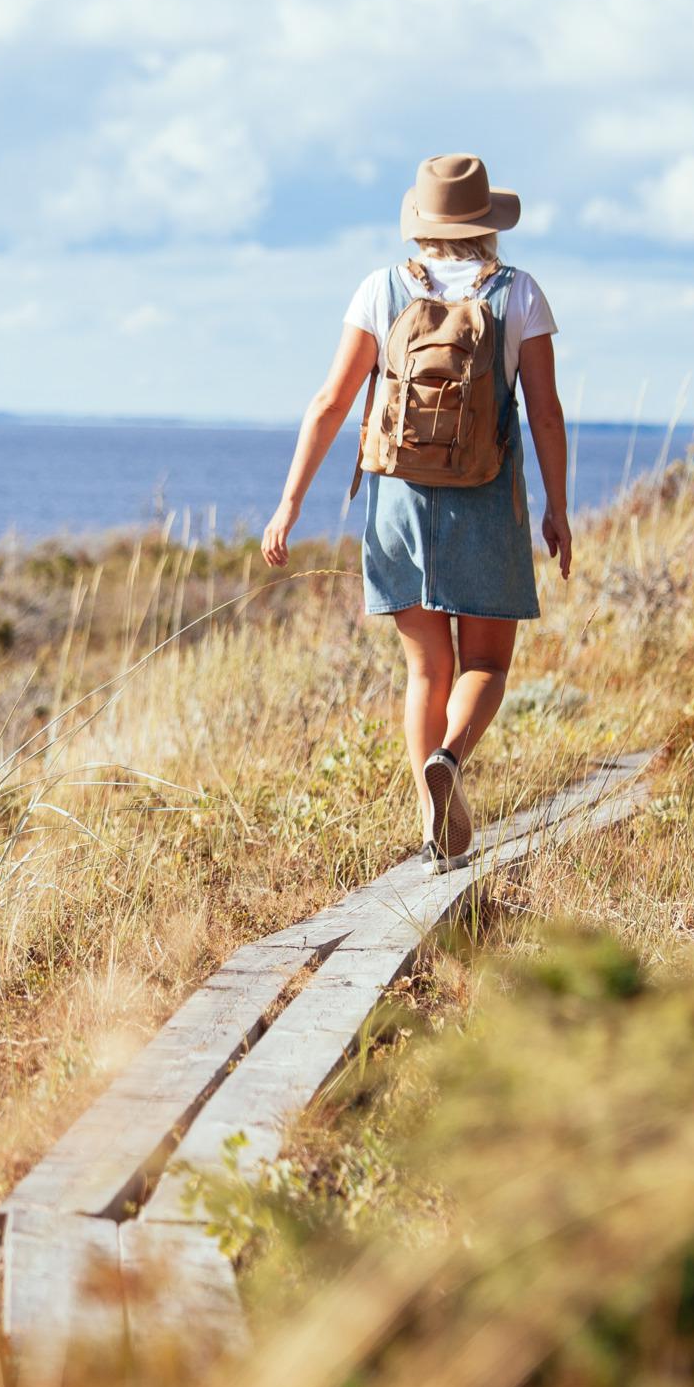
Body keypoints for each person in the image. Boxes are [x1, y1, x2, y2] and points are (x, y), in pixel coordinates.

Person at [260, 153, 572, 869]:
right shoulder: (520, 293)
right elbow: (547, 416)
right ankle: (450, 758)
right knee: (486, 664)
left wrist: (289, 503)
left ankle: (435, 829)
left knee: (426, 670)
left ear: (421, 221)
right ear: (487, 222)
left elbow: (330, 403)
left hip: (396, 503)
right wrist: (557, 508)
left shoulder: (380, 288)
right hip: (486, 499)